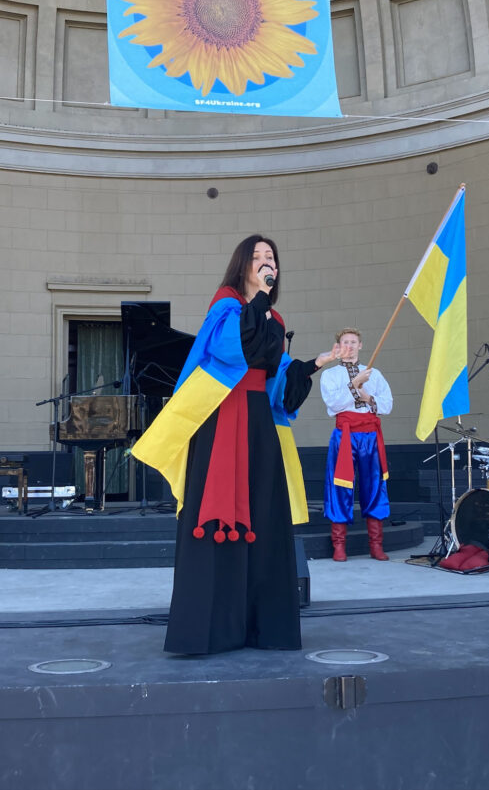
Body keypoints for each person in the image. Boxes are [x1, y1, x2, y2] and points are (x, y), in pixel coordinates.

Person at [131, 234, 340, 654]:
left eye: (272, 258)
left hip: (260, 420)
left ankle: (264, 628)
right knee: (212, 515)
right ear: (244, 265)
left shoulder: (275, 321)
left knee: (265, 516)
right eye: (259, 258)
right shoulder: (226, 305)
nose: (267, 264)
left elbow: (276, 378)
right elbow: (232, 351)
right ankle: (210, 630)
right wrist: (258, 303)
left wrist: (314, 365)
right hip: (222, 417)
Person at [320, 327, 394, 562]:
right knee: (340, 486)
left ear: (360, 346)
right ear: (339, 347)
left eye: (353, 342)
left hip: (370, 435)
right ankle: (339, 545)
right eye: (345, 342)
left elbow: (387, 405)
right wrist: (354, 385)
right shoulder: (329, 375)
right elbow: (333, 405)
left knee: (374, 485)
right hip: (345, 435)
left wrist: (367, 397)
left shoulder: (374, 373)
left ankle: (376, 545)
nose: (349, 346)